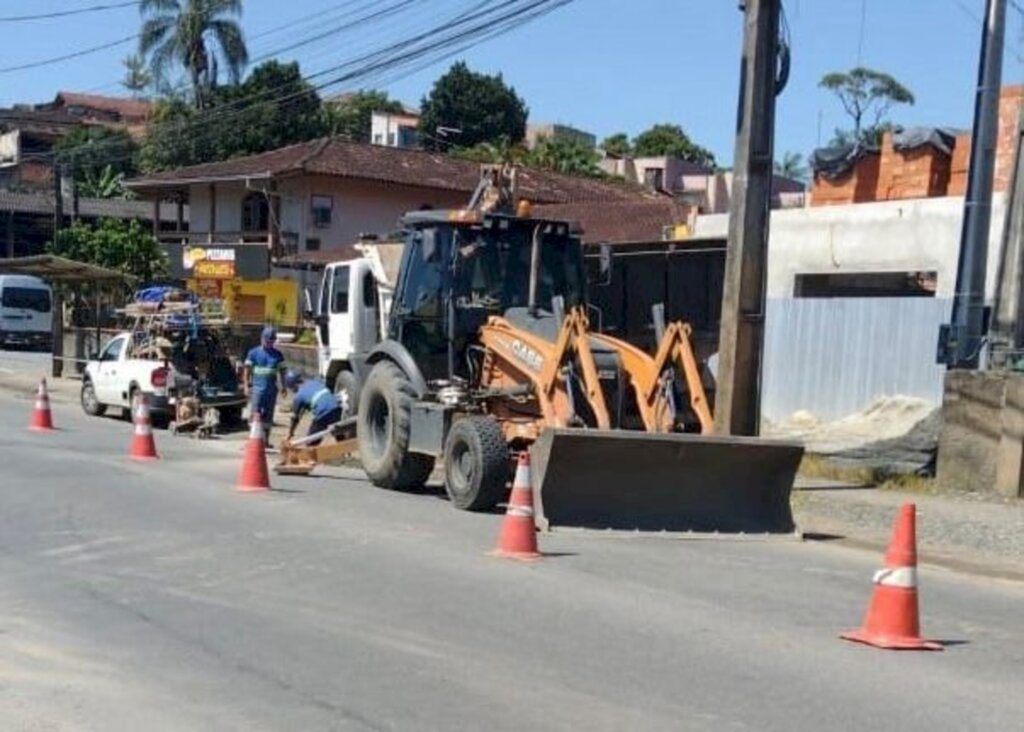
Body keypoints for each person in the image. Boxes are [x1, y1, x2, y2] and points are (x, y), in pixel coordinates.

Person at [243, 326, 287, 447]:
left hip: (271, 390)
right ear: (262, 339)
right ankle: (252, 440)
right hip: (257, 390)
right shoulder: (253, 353)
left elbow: (282, 372)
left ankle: (265, 441)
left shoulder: (278, 355)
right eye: (267, 341)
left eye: (272, 341)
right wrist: (246, 386)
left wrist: (283, 387)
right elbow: (247, 371)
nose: (269, 343)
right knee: (255, 415)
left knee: (268, 417)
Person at [284, 370, 343, 446]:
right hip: (337, 408)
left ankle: (311, 455)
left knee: (310, 443)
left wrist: (290, 433)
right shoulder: (314, 382)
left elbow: (295, 418)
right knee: (338, 431)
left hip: (323, 414)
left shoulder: (299, 396)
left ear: (292, 386)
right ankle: (347, 453)